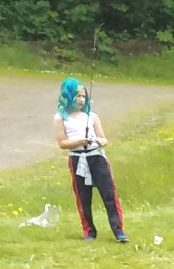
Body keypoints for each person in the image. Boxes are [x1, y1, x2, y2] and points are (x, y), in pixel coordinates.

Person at [54, 78, 126, 243]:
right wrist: (80, 141)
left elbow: (103, 137)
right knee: (83, 197)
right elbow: (62, 143)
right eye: (77, 96)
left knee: (109, 194)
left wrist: (101, 141)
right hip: (77, 159)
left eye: (83, 96)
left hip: (97, 157)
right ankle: (89, 231)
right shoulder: (60, 118)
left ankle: (118, 231)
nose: (80, 100)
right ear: (67, 96)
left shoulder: (92, 116)